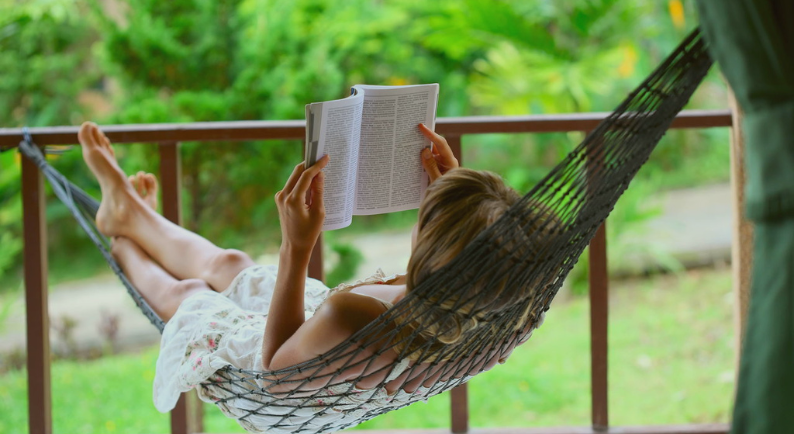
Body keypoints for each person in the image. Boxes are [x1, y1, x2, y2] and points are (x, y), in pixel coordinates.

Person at [77, 121, 539, 433]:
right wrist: (462, 205)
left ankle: (121, 241)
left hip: (268, 372)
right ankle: (132, 215)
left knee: (194, 293)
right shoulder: (487, 298)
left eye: (429, 216)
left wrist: (296, 248)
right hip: (318, 342)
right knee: (231, 265)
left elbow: (274, 373)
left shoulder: (352, 313)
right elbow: (470, 259)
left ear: (437, 248)